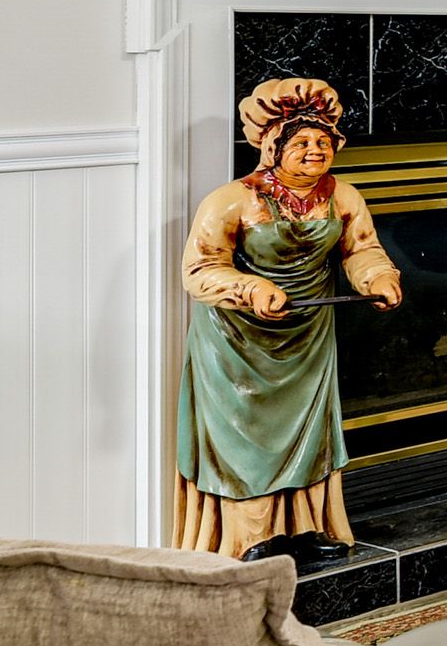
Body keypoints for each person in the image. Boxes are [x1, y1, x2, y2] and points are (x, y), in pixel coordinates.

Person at [172, 77, 403, 554]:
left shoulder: (343, 196)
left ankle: (304, 529)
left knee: (309, 436)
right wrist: (250, 287)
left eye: (323, 141)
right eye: (301, 142)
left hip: (308, 335)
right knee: (246, 439)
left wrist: (378, 279)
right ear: (273, 148)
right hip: (238, 344)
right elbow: (199, 270)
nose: (315, 150)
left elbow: (362, 251)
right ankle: (249, 537)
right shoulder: (231, 200)